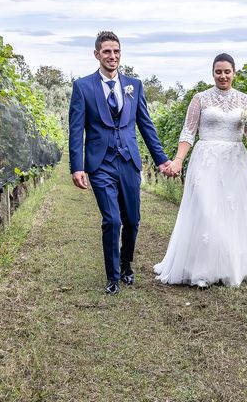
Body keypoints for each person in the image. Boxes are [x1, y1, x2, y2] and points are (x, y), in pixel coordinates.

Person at [153, 53, 247, 287]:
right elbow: (188, 132)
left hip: (235, 159)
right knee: (206, 210)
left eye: (227, 71)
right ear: (213, 73)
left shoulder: (246, 100)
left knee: (233, 210)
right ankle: (203, 269)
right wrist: (178, 160)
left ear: (234, 72)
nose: (223, 76)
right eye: (218, 72)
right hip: (206, 158)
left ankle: (230, 266)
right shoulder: (200, 99)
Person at [69, 31, 172, 295]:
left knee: (133, 220)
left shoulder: (134, 85)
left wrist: (161, 160)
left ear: (120, 54)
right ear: (96, 54)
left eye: (116, 51)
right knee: (112, 220)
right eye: (106, 52)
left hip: (128, 161)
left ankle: (127, 265)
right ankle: (113, 277)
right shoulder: (83, 86)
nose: (112, 56)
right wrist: (77, 166)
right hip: (100, 163)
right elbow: (76, 129)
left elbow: (146, 126)